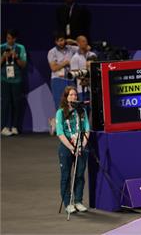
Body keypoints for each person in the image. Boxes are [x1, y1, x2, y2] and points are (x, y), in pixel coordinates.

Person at [56, 86, 90, 214]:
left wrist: (81, 145)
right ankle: (68, 203)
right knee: (66, 176)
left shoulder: (81, 111)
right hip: (66, 147)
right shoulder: (60, 112)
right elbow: (60, 132)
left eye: (75, 95)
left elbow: (86, 128)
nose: (73, 97)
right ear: (66, 97)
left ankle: (78, 201)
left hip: (81, 146)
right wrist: (72, 147)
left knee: (80, 174)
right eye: (70, 95)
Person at [47, 32, 79, 134]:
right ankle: (59, 126)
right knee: (60, 104)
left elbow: (85, 47)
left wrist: (73, 41)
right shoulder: (52, 52)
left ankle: (70, 126)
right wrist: (65, 63)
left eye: (63, 40)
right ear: (55, 42)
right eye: (59, 41)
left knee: (72, 104)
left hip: (69, 79)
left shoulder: (71, 48)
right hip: (57, 80)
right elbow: (54, 68)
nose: (61, 42)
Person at [1, 29, 27, 136]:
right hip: (4, 79)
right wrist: (3, 57)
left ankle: (15, 126)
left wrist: (16, 57)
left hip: (17, 80)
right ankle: (3, 127)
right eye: (7, 38)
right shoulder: (1, 47)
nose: (9, 40)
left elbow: (23, 65)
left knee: (16, 104)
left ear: (15, 39)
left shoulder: (20, 48)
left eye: (11, 38)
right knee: (5, 103)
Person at [70, 35, 96, 102]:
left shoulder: (92, 55)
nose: (86, 43)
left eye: (86, 41)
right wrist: (86, 78)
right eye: (83, 41)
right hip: (82, 90)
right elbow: (75, 73)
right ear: (78, 43)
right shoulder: (75, 58)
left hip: (94, 89)